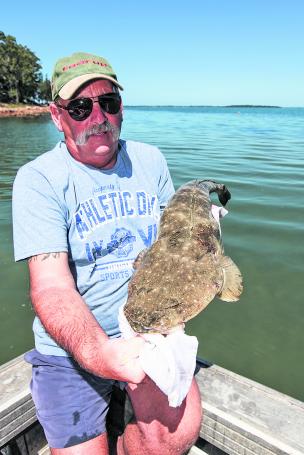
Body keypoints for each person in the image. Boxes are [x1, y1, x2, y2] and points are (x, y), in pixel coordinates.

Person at [12, 52, 202, 455]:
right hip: (71, 349)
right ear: (56, 115)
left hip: (150, 331)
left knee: (175, 436)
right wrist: (100, 353)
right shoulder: (38, 180)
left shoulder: (150, 161)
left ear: (121, 109)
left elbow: (175, 247)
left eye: (109, 103)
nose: (98, 117)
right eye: (80, 107)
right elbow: (51, 288)